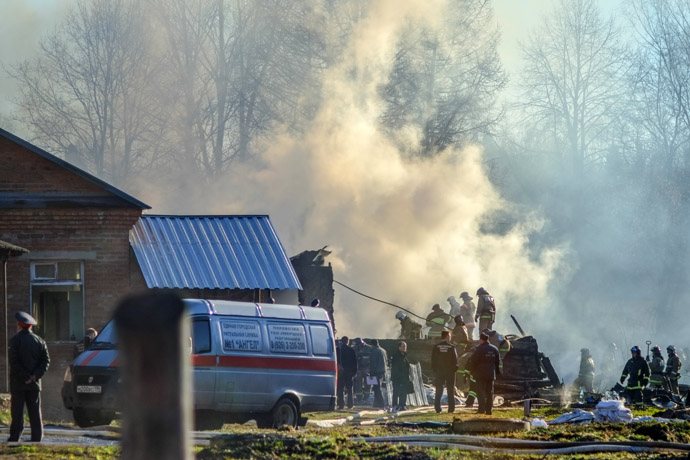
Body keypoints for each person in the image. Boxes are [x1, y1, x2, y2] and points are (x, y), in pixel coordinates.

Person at [8, 311, 50, 443]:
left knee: (17, 412)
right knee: (35, 412)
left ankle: (15, 437)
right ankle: (37, 437)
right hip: (34, 383)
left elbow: (14, 362)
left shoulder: (15, 340)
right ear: (31, 326)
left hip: (18, 383)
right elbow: (46, 361)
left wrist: (25, 376)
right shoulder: (40, 341)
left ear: (19, 325)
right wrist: (34, 376)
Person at [467, 331, 501, 415]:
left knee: (480, 391)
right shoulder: (494, 349)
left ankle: (481, 409)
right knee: (490, 392)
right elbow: (498, 362)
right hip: (491, 374)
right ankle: (489, 410)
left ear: (481, 340)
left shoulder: (478, 349)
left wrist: (471, 371)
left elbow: (474, 361)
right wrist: (496, 372)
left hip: (480, 374)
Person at [431, 330, 458, 413]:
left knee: (439, 389)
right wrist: (454, 369)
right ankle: (451, 409)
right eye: (449, 336)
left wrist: (435, 370)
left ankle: (437, 408)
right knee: (450, 389)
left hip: (439, 371)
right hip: (450, 372)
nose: (450, 337)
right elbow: (455, 359)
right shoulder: (451, 347)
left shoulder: (436, 347)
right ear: (447, 336)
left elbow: (433, 360)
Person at [336, 336, 358, 410]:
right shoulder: (351, 350)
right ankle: (350, 404)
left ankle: (341, 404)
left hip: (341, 372)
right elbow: (355, 362)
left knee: (340, 388)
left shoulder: (338, 350)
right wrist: (354, 372)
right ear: (347, 341)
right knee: (349, 389)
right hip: (349, 372)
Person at [390, 341, 411, 411]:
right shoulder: (396, 356)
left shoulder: (404, 356)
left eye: (405, 346)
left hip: (404, 378)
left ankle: (402, 405)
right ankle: (395, 405)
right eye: (403, 346)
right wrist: (399, 377)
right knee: (396, 392)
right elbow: (396, 368)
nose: (405, 348)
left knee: (403, 392)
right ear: (399, 347)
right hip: (398, 378)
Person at [351, 338, 372, 403]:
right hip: (358, 369)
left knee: (370, 382)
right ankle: (359, 397)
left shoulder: (370, 348)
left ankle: (367, 396)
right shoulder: (354, 349)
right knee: (358, 383)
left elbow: (373, 359)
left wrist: (370, 369)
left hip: (369, 369)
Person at [368, 339, 388, 408]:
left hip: (375, 372)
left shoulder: (374, 351)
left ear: (372, 344)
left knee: (376, 388)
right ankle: (376, 403)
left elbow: (372, 362)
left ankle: (381, 403)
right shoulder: (383, 350)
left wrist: (371, 372)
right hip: (382, 371)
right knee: (378, 387)